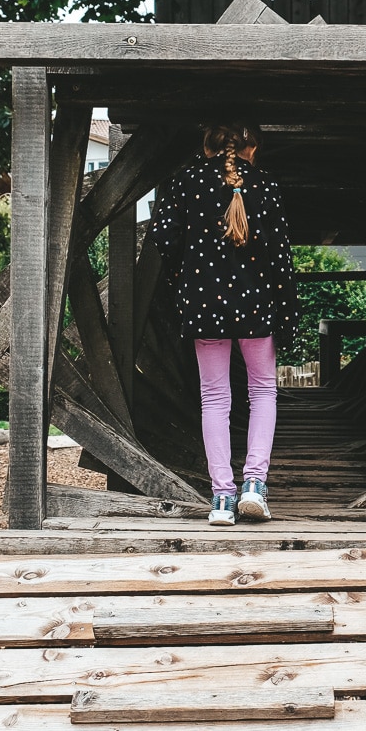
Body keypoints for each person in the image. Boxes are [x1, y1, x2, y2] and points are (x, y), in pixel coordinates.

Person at [149, 120, 299, 525]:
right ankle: (254, 485)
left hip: (205, 306)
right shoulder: (265, 184)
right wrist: (287, 315)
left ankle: (221, 499)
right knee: (263, 392)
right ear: (252, 149)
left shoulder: (185, 182)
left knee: (214, 397)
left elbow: (164, 237)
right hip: (257, 305)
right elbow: (281, 256)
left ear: (207, 146)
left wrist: (186, 279)